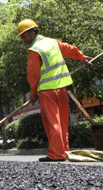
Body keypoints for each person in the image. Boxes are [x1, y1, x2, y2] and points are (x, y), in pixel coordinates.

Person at [17, 19, 92, 162]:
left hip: (48, 91)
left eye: (24, 35)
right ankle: (64, 151)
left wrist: (33, 93)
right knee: (63, 122)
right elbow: (69, 49)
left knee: (53, 122)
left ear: (33, 33)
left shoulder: (35, 49)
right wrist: (81, 56)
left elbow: (33, 75)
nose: (23, 39)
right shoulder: (53, 42)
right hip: (62, 89)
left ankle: (56, 154)